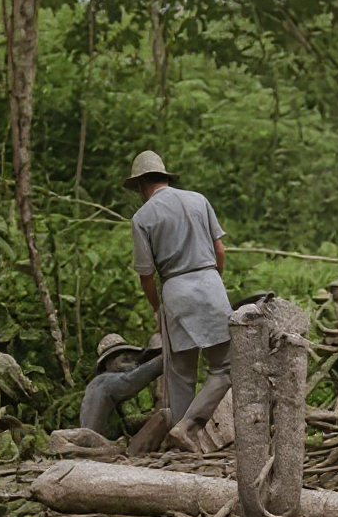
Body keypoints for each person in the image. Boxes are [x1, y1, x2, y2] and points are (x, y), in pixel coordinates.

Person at [125, 150, 232, 448]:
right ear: (165, 177)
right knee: (223, 369)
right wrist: (213, 281)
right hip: (209, 284)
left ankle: (181, 435)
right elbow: (220, 250)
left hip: (176, 292)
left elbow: (146, 274)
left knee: (181, 376)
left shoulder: (142, 218)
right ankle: (188, 429)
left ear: (141, 185)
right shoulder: (199, 200)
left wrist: (157, 308)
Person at [79, 333, 163, 438]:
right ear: (109, 363)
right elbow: (130, 381)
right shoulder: (103, 381)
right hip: (96, 441)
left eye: (131, 358)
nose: (131, 360)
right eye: (125, 359)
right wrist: (161, 361)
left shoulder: (107, 384)